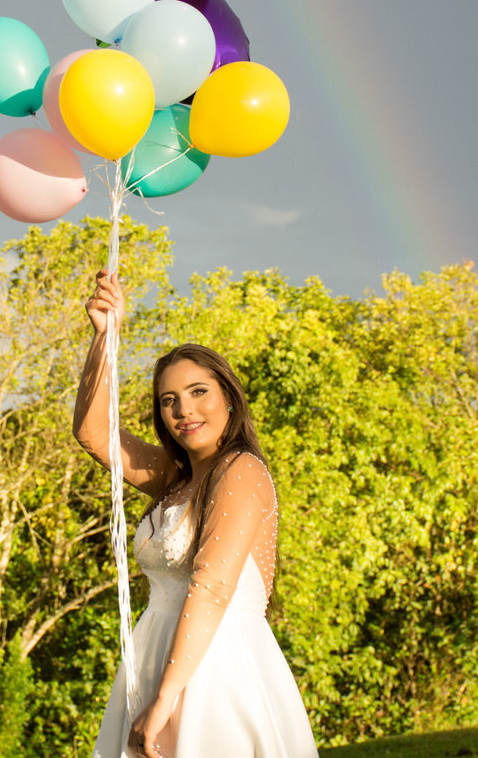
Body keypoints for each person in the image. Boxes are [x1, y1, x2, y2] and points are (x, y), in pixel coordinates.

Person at [74, 270, 319, 758]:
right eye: (169, 400)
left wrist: (167, 698)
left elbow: (212, 587)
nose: (183, 408)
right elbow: (95, 434)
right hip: (154, 659)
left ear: (228, 396)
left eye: (198, 391)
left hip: (216, 671)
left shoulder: (242, 470)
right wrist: (106, 336)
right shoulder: (175, 477)